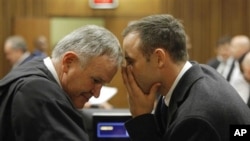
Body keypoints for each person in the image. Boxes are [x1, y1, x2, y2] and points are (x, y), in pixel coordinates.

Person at [121, 14, 250, 141]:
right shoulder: (199, 74)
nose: (126, 69)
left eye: (131, 61)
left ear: (159, 58)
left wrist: (141, 119)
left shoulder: (195, 119)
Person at [0, 25, 122, 141]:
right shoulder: (40, 94)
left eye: (103, 84)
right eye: (96, 80)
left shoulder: (33, 70)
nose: (97, 94)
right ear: (68, 62)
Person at [229, 35, 250, 104]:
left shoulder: (247, 61)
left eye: (233, 47)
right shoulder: (234, 61)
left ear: (242, 49)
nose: (230, 49)